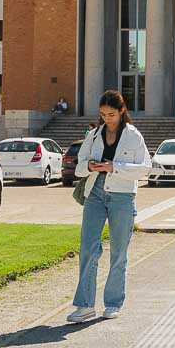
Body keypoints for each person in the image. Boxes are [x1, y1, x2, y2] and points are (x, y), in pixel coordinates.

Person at [68, 89, 152, 323]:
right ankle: (84, 305)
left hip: (122, 196)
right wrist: (91, 166)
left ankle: (113, 303)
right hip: (95, 193)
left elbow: (146, 168)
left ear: (122, 111)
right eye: (103, 114)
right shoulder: (93, 135)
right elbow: (78, 167)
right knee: (88, 248)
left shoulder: (134, 136)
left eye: (111, 114)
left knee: (119, 251)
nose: (107, 119)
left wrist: (114, 167)